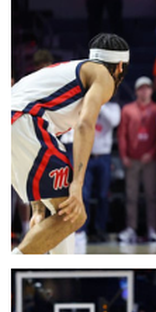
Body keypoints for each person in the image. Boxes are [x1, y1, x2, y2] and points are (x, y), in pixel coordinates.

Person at [12, 33, 126, 254]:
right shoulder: (104, 75)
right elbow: (85, 125)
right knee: (75, 213)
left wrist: (38, 207)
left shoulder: (68, 70)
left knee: (63, 214)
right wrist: (77, 184)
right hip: (25, 122)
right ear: (120, 66)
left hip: (11, 124)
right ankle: (13, 266)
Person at [65, 100, 121, 250]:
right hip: (86, 157)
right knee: (84, 194)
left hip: (103, 156)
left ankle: (100, 230)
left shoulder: (112, 107)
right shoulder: (85, 106)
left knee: (103, 195)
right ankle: (82, 230)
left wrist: (99, 103)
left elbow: (114, 122)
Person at [118, 77, 156, 243]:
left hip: (150, 160)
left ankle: (152, 228)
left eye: (147, 88)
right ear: (137, 91)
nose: (144, 91)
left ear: (151, 90)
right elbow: (122, 135)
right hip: (133, 159)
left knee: (151, 195)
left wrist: (152, 153)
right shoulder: (127, 110)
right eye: (141, 89)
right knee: (131, 196)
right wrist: (123, 156)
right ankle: (131, 228)